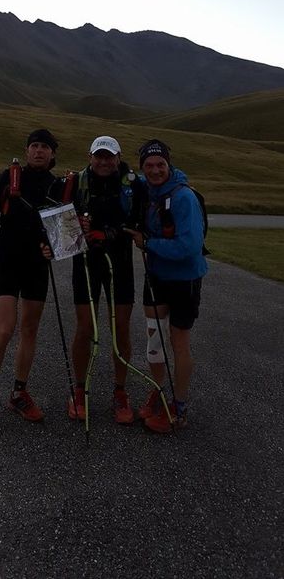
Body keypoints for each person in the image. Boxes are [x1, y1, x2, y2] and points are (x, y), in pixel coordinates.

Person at [49, 135, 141, 424]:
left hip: (121, 264)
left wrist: (108, 233)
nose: (104, 161)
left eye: (109, 156)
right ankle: (78, 389)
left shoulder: (131, 185)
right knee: (85, 327)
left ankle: (120, 391)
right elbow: (59, 222)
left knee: (121, 328)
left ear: (117, 157)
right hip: (86, 263)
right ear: (90, 156)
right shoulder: (75, 183)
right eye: (99, 156)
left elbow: (136, 221)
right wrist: (77, 223)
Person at [0, 128, 58, 435]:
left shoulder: (57, 185)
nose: (38, 151)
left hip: (37, 265)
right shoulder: (9, 177)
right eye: (34, 146)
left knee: (30, 329)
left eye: (44, 147)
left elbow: (61, 230)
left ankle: (19, 394)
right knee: (5, 328)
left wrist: (53, 248)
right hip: (8, 259)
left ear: (52, 154)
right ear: (26, 150)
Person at [126, 138, 208, 433]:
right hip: (156, 276)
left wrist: (149, 243)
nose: (155, 170)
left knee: (178, 343)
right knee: (154, 339)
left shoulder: (184, 196)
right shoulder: (148, 193)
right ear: (142, 168)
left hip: (185, 279)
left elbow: (190, 246)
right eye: (149, 165)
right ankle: (157, 392)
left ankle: (180, 406)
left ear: (168, 164)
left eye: (160, 164)